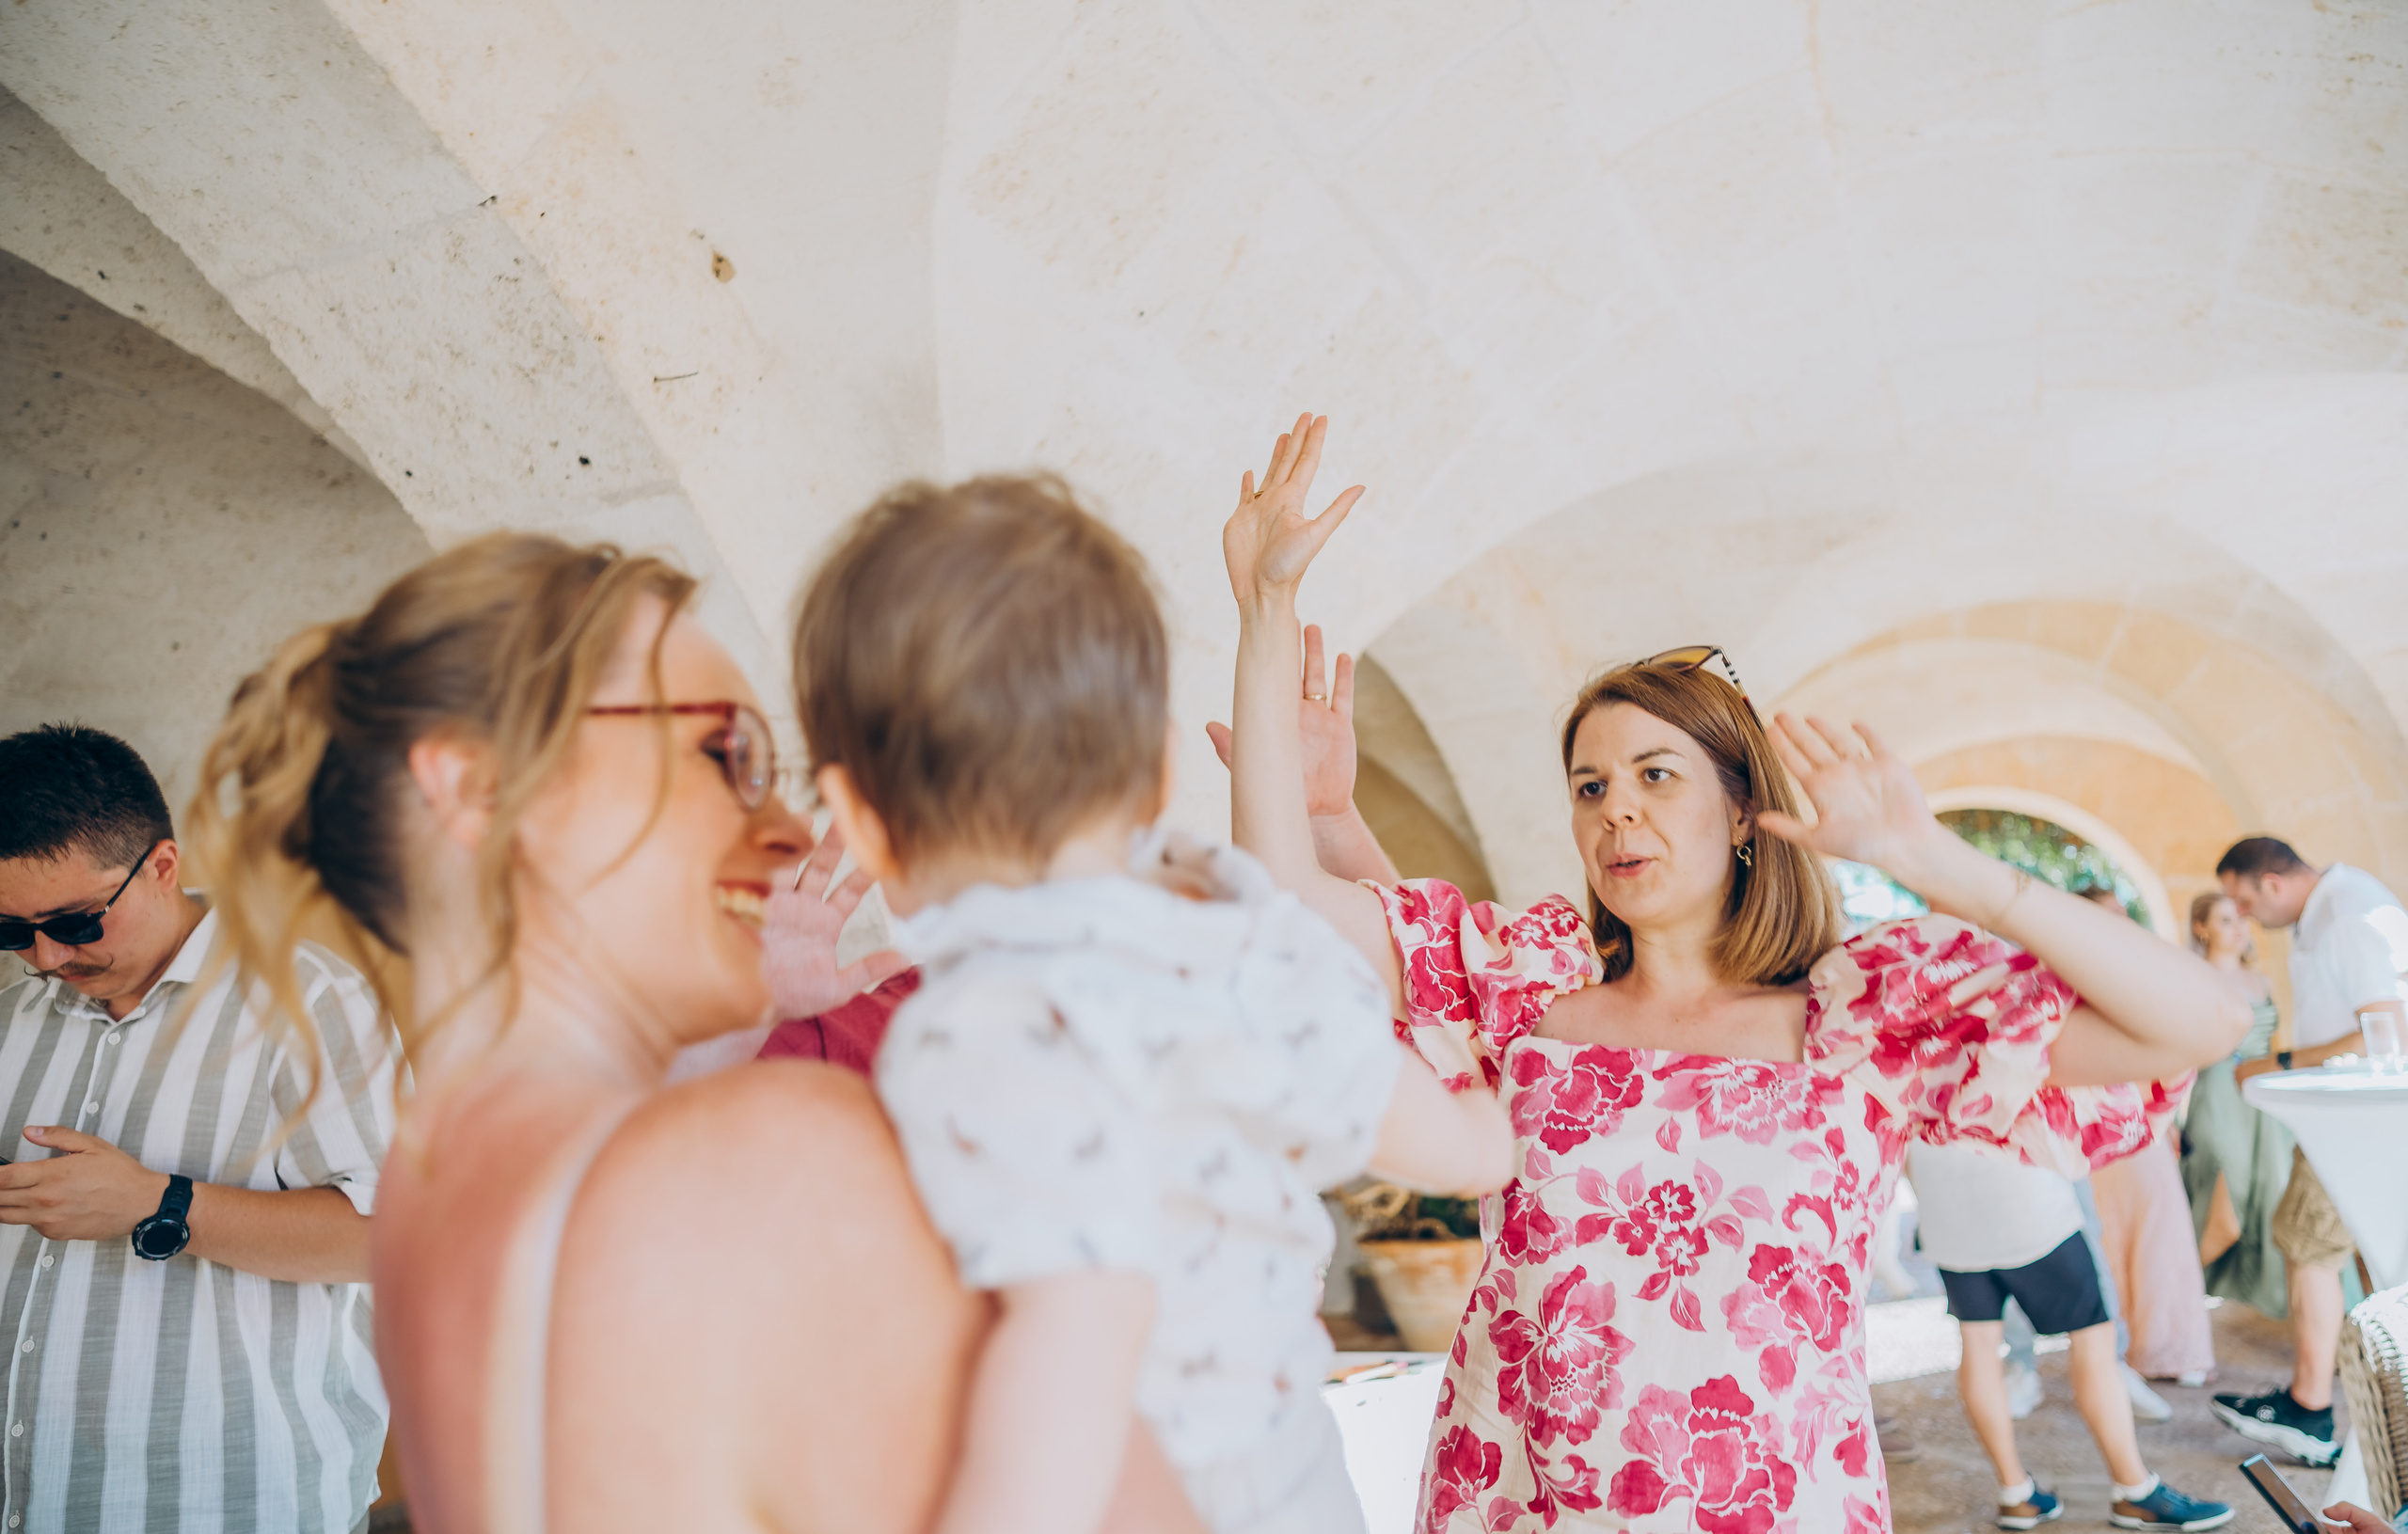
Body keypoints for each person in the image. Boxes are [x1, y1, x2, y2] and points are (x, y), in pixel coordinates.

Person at [1219, 414, 2251, 1531]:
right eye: (1589, 785)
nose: (1617, 808)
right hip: (1518, 1501)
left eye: (1656, 775)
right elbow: (1281, 908)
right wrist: (1266, 616)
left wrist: (1930, 858)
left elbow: (2198, 1020)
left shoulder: (1861, 1018)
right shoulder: (1527, 986)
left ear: (1741, 807)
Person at [187, 533, 1210, 1534]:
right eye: (728, 752)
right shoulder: (760, 1152)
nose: (797, 833)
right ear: (479, 787)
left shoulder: (430, 1182)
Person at [792, 475, 1513, 1534]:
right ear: (1163, 764)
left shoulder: (970, 1029)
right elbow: (1468, 1150)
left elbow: (1069, 1339)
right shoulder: (1256, 950)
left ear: (861, 820)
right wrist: (1483, 1091)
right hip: (1301, 1492)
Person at [0, 723, 398, 1534]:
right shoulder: (12, 1018)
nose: (43, 957)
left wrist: (158, 1203)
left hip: (228, 1504)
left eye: (75, 923)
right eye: (9, 930)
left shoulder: (311, 1003)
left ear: (163, 867)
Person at [1907, 1141, 2232, 1530]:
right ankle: (2135, 1491)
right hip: (2025, 1198)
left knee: (1978, 1344)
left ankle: (2016, 1494)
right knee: (2094, 1337)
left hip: (1942, 1205)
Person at [2214, 836, 2408, 1466]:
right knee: (2370, 1265)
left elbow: (2387, 1027)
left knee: (2307, 1241)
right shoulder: (2328, 909)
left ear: (2272, 883)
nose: (2245, 917)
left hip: (2357, 1119)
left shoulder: (2349, 911)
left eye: (2244, 901)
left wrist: (2281, 1062)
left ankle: (2311, 1409)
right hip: (2340, 1114)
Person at [2077, 886, 2217, 1384]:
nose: (2124, 921)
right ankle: (2127, 1347)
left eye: (2123, 912)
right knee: (2111, 1233)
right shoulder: (2074, 975)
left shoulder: (2138, 971)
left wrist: (2165, 1116)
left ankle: (2173, 1347)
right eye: (2109, 914)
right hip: (2093, 1122)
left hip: (2139, 1122)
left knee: (2160, 1230)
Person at [2179, 891, 2292, 1319]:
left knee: (2273, 1200)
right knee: (2223, 1215)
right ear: (2201, 927)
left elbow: (2273, 1043)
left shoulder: (2260, 980)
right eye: (2226, 919)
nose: (2239, 928)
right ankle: (2175, 1301)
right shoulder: (2193, 975)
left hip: (2265, 1102)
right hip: (2218, 1097)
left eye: (2240, 919)